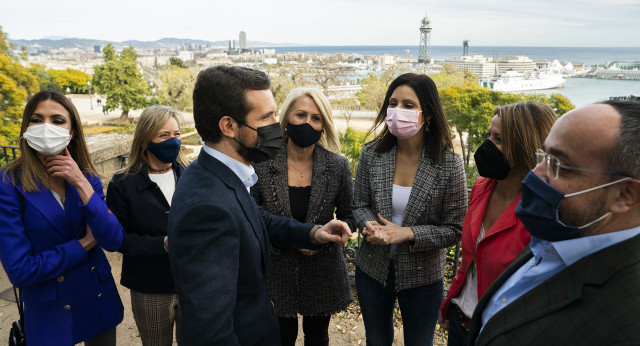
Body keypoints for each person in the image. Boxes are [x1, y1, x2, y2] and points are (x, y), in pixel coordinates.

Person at [167, 65, 352, 345]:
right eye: (266, 116)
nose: (276, 124)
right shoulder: (206, 208)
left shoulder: (220, 176)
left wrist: (313, 233)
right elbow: (212, 330)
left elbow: (257, 219)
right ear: (229, 126)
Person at [468, 100, 640, 345]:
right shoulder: (556, 232)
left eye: (559, 165)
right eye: (544, 156)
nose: (535, 174)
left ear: (624, 195)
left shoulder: (627, 323)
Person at [0, 90, 124, 346]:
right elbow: (20, 270)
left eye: (57, 120)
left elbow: (113, 239)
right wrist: (84, 244)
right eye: (36, 119)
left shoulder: (86, 177)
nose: (46, 127)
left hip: (97, 296)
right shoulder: (9, 183)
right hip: (50, 309)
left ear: (72, 131)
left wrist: (80, 182)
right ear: (26, 127)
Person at [352, 73, 468, 346]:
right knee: (376, 340)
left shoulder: (449, 164)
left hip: (423, 276)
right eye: (392, 103)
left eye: (407, 105)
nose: (396, 111)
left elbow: (455, 228)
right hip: (372, 268)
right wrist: (372, 227)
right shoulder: (372, 154)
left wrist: (407, 234)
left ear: (426, 114)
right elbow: (359, 205)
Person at [437, 102, 557, 345]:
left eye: (499, 139)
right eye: (489, 135)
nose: (488, 145)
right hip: (461, 322)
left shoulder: (542, 210)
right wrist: (450, 300)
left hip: (501, 333)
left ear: (527, 147)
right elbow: (470, 259)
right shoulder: (482, 187)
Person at [250, 87, 354, 346]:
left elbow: (349, 214)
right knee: (280, 337)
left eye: (316, 118)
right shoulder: (261, 164)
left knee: (317, 337)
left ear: (324, 125)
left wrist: (337, 233)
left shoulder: (338, 166)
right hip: (274, 269)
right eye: (301, 115)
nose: (308, 123)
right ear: (286, 118)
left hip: (322, 268)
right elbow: (253, 214)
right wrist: (300, 237)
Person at [106, 105, 190, 346]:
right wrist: (162, 244)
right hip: (149, 287)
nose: (172, 141)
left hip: (192, 282)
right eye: (164, 135)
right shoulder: (122, 184)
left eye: (176, 134)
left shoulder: (192, 174)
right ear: (144, 140)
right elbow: (120, 239)